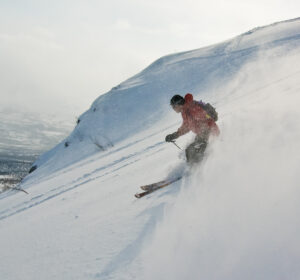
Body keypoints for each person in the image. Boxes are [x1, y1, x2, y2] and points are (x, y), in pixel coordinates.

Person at [165, 93, 220, 164]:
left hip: (210, 132)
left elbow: (207, 119)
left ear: (178, 104)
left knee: (191, 150)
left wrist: (205, 133)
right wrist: (174, 135)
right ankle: (195, 170)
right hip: (203, 134)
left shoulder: (192, 108)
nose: (173, 109)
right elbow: (186, 126)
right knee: (191, 151)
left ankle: (198, 171)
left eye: (173, 107)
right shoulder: (185, 111)